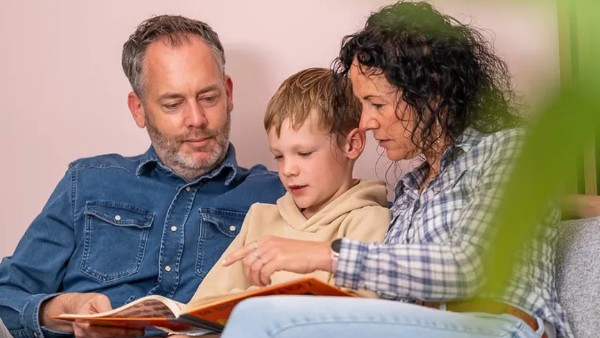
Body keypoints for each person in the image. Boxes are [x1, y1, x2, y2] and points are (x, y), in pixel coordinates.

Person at [219, 2, 573, 338]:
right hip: (421, 325)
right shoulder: (409, 188)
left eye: (376, 103)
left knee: (263, 318)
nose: (366, 122)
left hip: (497, 326)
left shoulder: (507, 150)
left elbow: (471, 266)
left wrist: (323, 255)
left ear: (429, 92)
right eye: (362, 105)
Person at [0, 15, 285, 338]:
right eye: (173, 103)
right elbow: (8, 292)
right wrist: (60, 309)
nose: (196, 119)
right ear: (138, 109)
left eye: (208, 98)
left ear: (229, 93)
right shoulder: (88, 182)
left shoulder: (278, 193)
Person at [191, 67, 390, 301]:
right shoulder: (260, 218)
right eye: (278, 156)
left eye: (304, 153)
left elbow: (359, 314)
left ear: (352, 144)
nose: (287, 170)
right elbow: (202, 304)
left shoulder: (369, 221)